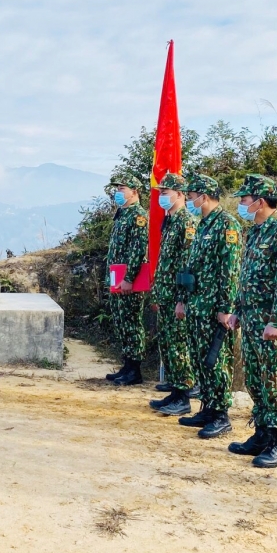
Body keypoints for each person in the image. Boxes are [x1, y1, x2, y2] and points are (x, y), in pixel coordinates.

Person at [226, 175, 277, 468]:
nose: (241, 204)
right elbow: (246, 278)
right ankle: (262, 433)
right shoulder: (255, 231)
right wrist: (238, 310)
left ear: (260, 201)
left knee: (274, 382)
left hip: (271, 323)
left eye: (245, 200)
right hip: (253, 319)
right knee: (256, 380)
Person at [175, 173, 241, 439]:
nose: (190, 201)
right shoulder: (203, 224)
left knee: (216, 361)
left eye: (191, 197)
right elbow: (192, 267)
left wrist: (225, 307)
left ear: (204, 196)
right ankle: (208, 407)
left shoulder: (227, 225)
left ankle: (221, 415)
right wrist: (183, 299)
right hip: (197, 305)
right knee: (201, 361)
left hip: (214, 308)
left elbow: (229, 270)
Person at [147, 173, 197, 417]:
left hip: (176, 297)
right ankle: (175, 392)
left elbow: (186, 266)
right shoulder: (170, 220)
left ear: (180, 194)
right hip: (165, 294)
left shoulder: (187, 222)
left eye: (165, 193)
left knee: (179, 347)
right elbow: (165, 263)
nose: (161, 197)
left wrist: (181, 300)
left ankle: (184, 396)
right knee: (168, 345)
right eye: (160, 193)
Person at [104, 174, 149, 386]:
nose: (118, 192)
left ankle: (135, 369)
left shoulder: (138, 216)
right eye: (118, 188)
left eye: (123, 188)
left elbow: (138, 250)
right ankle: (126, 365)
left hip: (128, 280)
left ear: (135, 191)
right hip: (116, 276)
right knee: (121, 322)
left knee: (132, 323)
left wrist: (129, 278)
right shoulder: (122, 213)